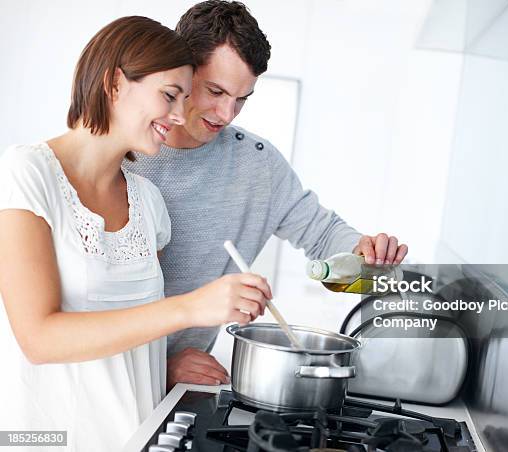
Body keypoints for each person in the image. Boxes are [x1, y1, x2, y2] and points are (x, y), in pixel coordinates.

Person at [0, 16, 270, 451]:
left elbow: (131, 335)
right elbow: (39, 339)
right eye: (169, 96)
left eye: (185, 98)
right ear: (114, 83)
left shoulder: (148, 202)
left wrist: (163, 364)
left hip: (142, 437)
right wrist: (189, 309)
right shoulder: (26, 173)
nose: (180, 115)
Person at [124, 0, 409, 391]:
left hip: (186, 384)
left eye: (242, 99)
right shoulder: (128, 156)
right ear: (182, 71)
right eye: (216, 91)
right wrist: (160, 364)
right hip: (119, 377)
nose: (226, 114)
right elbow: (87, 308)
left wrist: (365, 255)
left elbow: (323, 235)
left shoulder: (258, 165)